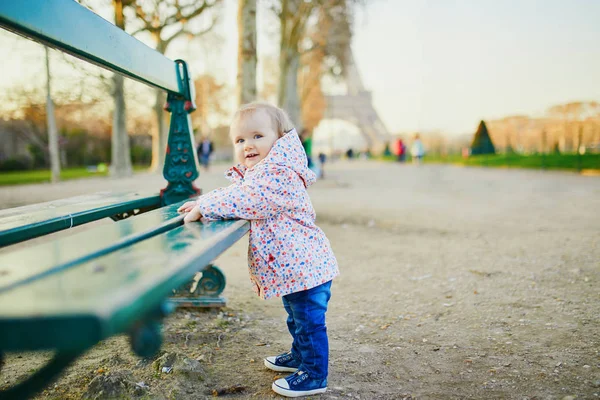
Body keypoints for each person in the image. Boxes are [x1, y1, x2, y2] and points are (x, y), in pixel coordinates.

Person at [178, 102, 339, 398]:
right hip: (297, 269)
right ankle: (300, 357)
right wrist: (206, 201)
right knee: (296, 316)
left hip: (306, 267)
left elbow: (252, 200)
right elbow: (239, 192)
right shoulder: (263, 171)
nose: (248, 145)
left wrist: (207, 207)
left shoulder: (279, 173)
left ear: (280, 138)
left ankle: (316, 374)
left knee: (309, 321)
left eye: (257, 136)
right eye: (240, 140)